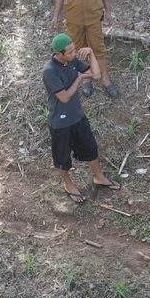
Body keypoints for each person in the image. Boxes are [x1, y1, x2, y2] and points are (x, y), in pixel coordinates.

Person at [42, 33, 122, 203]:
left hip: (77, 117)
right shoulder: (50, 71)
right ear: (59, 54)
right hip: (60, 123)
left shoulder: (72, 61)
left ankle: (99, 177)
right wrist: (79, 78)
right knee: (63, 159)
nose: (74, 53)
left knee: (91, 148)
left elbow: (96, 75)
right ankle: (68, 184)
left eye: (74, 50)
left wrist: (92, 53)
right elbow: (64, 97)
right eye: (70, 52)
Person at [50, 0, 119, 98]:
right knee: (79, 50)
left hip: (94, 17)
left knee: (98, 48)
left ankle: (106, 80)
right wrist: (56, 16)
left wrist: (108, 12)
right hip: (74, 19)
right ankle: (87, 80)